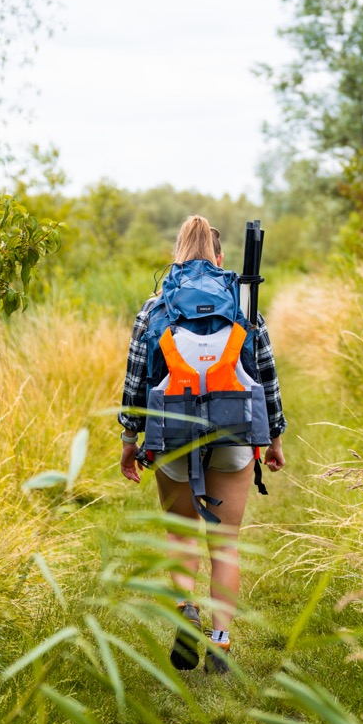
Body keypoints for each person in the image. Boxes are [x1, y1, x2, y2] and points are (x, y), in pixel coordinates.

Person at [119, 215, 286, 676]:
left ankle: (184, 612)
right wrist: (273, 438)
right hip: (234, 431)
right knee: (225, 543)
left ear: (176, 254)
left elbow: (136, 382)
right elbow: (265, 376)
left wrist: (129, 439)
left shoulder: (155, 310)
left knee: (179, 535)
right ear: (220, 258)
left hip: (171, 431)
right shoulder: (244, 306)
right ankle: (220, 642)